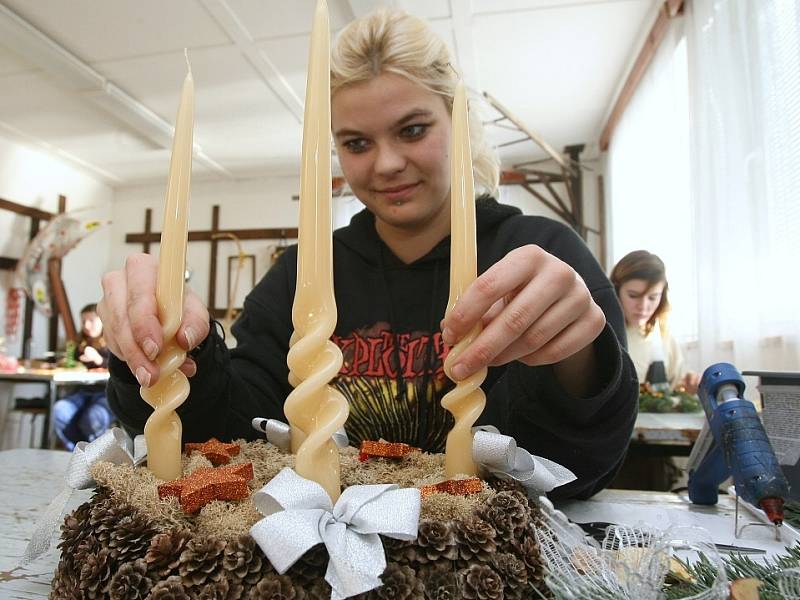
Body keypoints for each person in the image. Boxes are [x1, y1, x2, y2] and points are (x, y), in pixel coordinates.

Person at [98, 9, 638, 500]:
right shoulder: (300, 275)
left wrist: (576, 359)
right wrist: (164, 345)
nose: (385, 164)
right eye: (356, 143)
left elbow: (581, 471)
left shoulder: (539, 253)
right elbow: (232, 431)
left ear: (458, 122)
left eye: (412, 130)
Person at [610, 250, 699, 394]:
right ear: (615, 290)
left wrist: (690, 382)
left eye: (653, 297)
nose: (643, 307)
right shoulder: (602, 333)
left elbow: (678, 383)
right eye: (633, 296)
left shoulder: (662, 333)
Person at [52, 303, 114, 451]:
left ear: (103, 321)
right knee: (60, 410)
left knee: (93, 416)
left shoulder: (114, 342)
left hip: (105, 393)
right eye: (83, 321)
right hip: (80, 392)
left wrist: (99, 360)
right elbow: (70, 362)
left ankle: (94, 455)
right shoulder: (79, 343)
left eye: (91, 321)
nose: (86, 325)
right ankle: (77, 452)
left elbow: (121, 368)